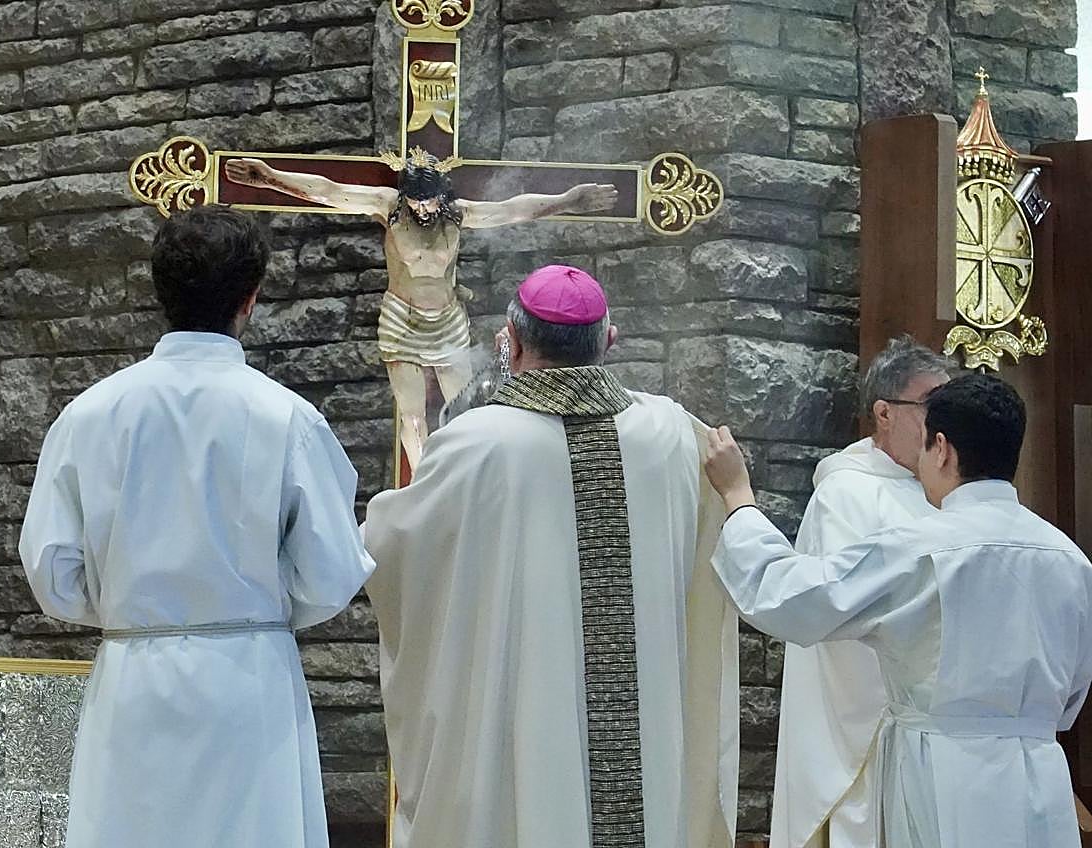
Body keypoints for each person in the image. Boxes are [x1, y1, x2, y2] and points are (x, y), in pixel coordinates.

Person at [19, 205, 376, 848]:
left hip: (134, 681)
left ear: (161, 295)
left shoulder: (89, 414)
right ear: (251, 298)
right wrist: (253, 604)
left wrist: (134, 604)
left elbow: (52, 573)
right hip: (250, 681)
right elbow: (330, 572)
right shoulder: (285, 417)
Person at [363, 265, 740, 848]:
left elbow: (392, 549)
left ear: (510, 344)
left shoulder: (476, 442)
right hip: (638, 740)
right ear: (609, 342)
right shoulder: (667, 434)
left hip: (521, 721)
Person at [706, 373, 1092, 848]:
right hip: (1041, 776)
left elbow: (789, 597)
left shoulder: (921, 547)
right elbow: (1073, 695)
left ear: (942, 449)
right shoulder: (1069, 558)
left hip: (940, 775)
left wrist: (738, 498)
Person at [224, 147, 618, 469]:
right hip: (402, 321)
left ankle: (469, 475)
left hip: (446, 323)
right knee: (412, 417)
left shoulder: (457, 214)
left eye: (429, 202)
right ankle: (426, 483)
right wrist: (269, 177)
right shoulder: (388, 206)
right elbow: (327, 190)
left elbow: (514, 208)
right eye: (416, 202)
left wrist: (568, 201)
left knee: (469, 410)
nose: (423, 210)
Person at [772, 336, 950, 848]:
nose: (944, 424)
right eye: (931, 407)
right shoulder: (847, 493)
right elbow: (842, 616)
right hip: (868, 724)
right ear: (884, 412)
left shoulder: (942, 487)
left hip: (933, 725)